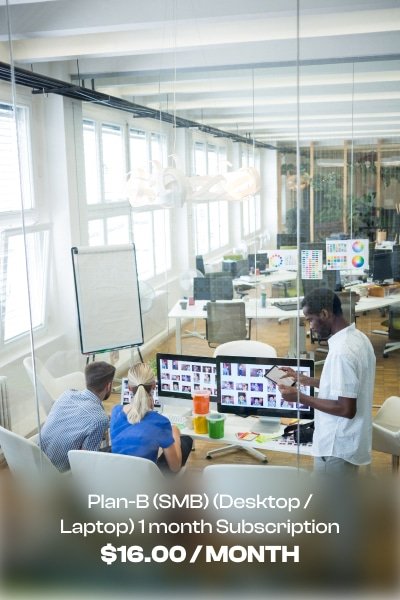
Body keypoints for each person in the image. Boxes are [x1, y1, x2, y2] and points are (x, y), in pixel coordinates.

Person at [278, 288, 376, 475]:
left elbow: (346, 409)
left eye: (310, 320)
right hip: (350, 441)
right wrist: (305, 380)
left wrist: (300, 397)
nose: (310, 327)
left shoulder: (342, 352)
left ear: (324, 313)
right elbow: (346, 386)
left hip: (335, 447)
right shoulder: (359, 338)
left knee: (333, 503)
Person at [110, 363, 193, 473]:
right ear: (154, 385)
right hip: (147, 483)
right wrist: (175, 433)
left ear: (129, 388)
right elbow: (175, 467)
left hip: (118, 476)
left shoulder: (115, 411)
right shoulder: (160, 422)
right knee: (186, 441)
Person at [39, 361, 115, 472]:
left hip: (38, 461)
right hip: (58, 473)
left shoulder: (67, 395)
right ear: (108, 386)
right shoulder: (99, 420)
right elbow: (86, 463)